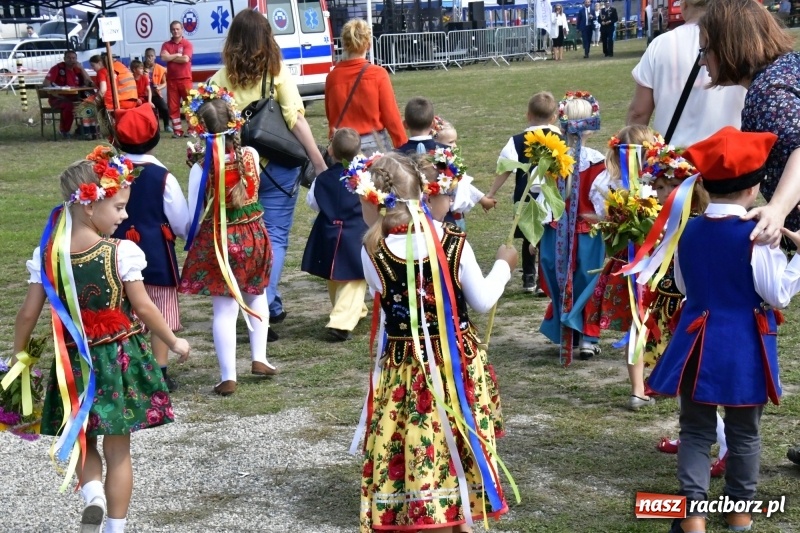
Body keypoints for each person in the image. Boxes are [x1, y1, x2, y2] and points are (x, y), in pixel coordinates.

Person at [12, 145, 190, 533]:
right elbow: (143, 307)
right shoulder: (121, 252)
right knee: (118, 448)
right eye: (119, 207)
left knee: (81, 437)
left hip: (72, 361)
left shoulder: (47, 254)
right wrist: (172, 341)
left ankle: (91, 492)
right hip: (119, 361)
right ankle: (115, 526)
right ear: (90, 206)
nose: (124, 215)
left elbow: (27, 313)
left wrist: (19, 355)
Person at [642, 127, 800, 533]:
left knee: (695, 430)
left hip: (695, 341)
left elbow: (680, 284)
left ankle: (692, 516)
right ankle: (739, 514)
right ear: (757, 187)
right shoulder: (758, 236)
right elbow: (778, 294)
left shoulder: (688, 228)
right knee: (744, 433)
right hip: (744, 344)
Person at [349, 151, 516, 532]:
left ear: (374, 199)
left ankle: (427, 511)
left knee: (417, 439)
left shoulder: (371, 249)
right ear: (423, 192)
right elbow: (483, 299)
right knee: (455, 437)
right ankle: (459, 517)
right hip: (456, 361)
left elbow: (386, 297)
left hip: (404, 368)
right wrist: (505, 264)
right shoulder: (452, 241)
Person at [696, 0, 800, 465]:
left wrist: (775, 210)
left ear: (728, 47)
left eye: (707, 50)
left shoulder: (768, 90)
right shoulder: (787, 70)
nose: (704, 60)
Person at [209, 10, 326, 337]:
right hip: (280, 168)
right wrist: (318, 163)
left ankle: (265, 302)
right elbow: (296, 119)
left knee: (243, 239)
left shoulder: (218, 80)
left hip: (238, 171)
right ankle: (266, 300)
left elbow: (209, 128)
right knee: (273, 236)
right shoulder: (276, 75)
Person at [179, 85, 275, 396]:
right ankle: (259, 357)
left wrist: (188, 237)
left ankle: (228, 375)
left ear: (200, 130)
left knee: (224, 309)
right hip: (253, 236)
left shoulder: (200, 167)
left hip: (220, 241)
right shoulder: (251, 154)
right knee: (257, 294)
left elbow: (193, 213)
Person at [111, 105, 190, 392]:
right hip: (156, 252)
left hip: (115, 249)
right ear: (155, 137)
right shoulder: (162, 176)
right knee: (159, 308)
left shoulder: (110, 173)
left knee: (122, 308)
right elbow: (180, 219)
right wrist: (182, 234)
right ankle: (161, 369)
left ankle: (126, 367)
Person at [585, 125, 664, 410]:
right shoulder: (661, 180)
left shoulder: (605, 183)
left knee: (637, 324)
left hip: (626, 263)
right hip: (658, 262)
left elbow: (600, 219)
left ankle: (638, 388)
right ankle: (662, 382)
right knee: (660, 320)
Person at [539, 91, 605, 364]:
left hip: (568, 230)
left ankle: (582, 333)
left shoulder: (590, 160)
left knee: (574, 279)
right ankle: (581, 333)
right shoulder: (558, 159)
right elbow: (602, 200)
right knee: (584, 280)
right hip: (578, 230)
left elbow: (541, 197)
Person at [626, 0, 746, 148]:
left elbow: (638, 113)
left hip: (673, 161)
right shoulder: (738, 41)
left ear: (684, 6)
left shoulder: (660, 44)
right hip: (729, 157)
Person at [487, 91, 561, 294]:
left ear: (528, 115)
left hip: (525, 194)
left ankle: (529, 278)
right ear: (554, 117)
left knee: (529, 233)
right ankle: (543, 281)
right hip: (551, 194)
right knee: (547, 235)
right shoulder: (561, 139)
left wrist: (491, 192)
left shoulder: (518, 140)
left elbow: (505, 167)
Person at [301, 128, 368, 342]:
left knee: (335, 276)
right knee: (355, 278)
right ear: (359, 152)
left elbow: (312, 203)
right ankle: (341, 323)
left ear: (330, 150)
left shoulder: (322, 179)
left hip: (328, 231)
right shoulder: (363, 177)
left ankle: (353, 310)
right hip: (355, 232)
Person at [325, 18, 407, 154]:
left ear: (344, 45)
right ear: (369, 45)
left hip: (342, 145)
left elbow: (331, 115)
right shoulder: (378, 74)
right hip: (373, 143)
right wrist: (403, 145)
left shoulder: (332, 77)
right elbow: (391, 116)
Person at [42, 49, 94, 138]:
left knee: (89, 103)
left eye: (74, 58)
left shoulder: (77, 70)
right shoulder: (57, 68)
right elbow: (46, 83)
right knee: (69, 106)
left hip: (75, 97)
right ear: (64, 59)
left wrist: (81, 68)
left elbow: (89, 82)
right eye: (69, 58)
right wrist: (56, 90)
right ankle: (64, 131)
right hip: (58, 98)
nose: (71, 60)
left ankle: (87, 130)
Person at [160, 20, 193, 137]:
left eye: (177, 29)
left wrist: (170, 57)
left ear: (182, 30)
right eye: (173, 29)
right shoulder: (166, 45)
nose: (175, 31)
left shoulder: (187, 44)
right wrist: (177, 55)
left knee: (189, 105)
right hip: (172, 80)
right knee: (173, 107)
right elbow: (163, 57)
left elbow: (185, 59)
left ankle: (191, 130)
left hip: (185, 79)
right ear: (170, 30)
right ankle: (177, 131)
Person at [143, 47, 171, 132]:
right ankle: (155, 127)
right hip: (145, 95)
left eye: (151, 56)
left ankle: (166, 125)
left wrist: (159, 87)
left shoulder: (159, 68)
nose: (150, 58)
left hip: (156, 94)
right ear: (145, 57)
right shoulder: (141, 67)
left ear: (155, 57)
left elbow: (165, 83)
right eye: (148, 56)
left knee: (165, 108)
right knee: (152, 112)